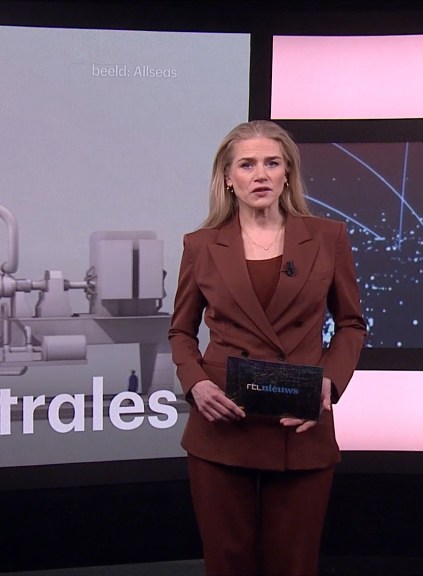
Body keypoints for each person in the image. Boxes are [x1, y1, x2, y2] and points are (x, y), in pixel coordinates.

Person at [168, 120, 367, 576]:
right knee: (227, 564)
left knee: (293, 565)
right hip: (223, 421)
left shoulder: (328, 237)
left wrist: (329, 384)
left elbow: (351, 324)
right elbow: (181, 332)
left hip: (299, 421)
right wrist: (196, 384)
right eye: (247, 164)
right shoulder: (201, 246)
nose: (260, 174)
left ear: (287, 174)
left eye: (272, 163)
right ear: (227, 178)